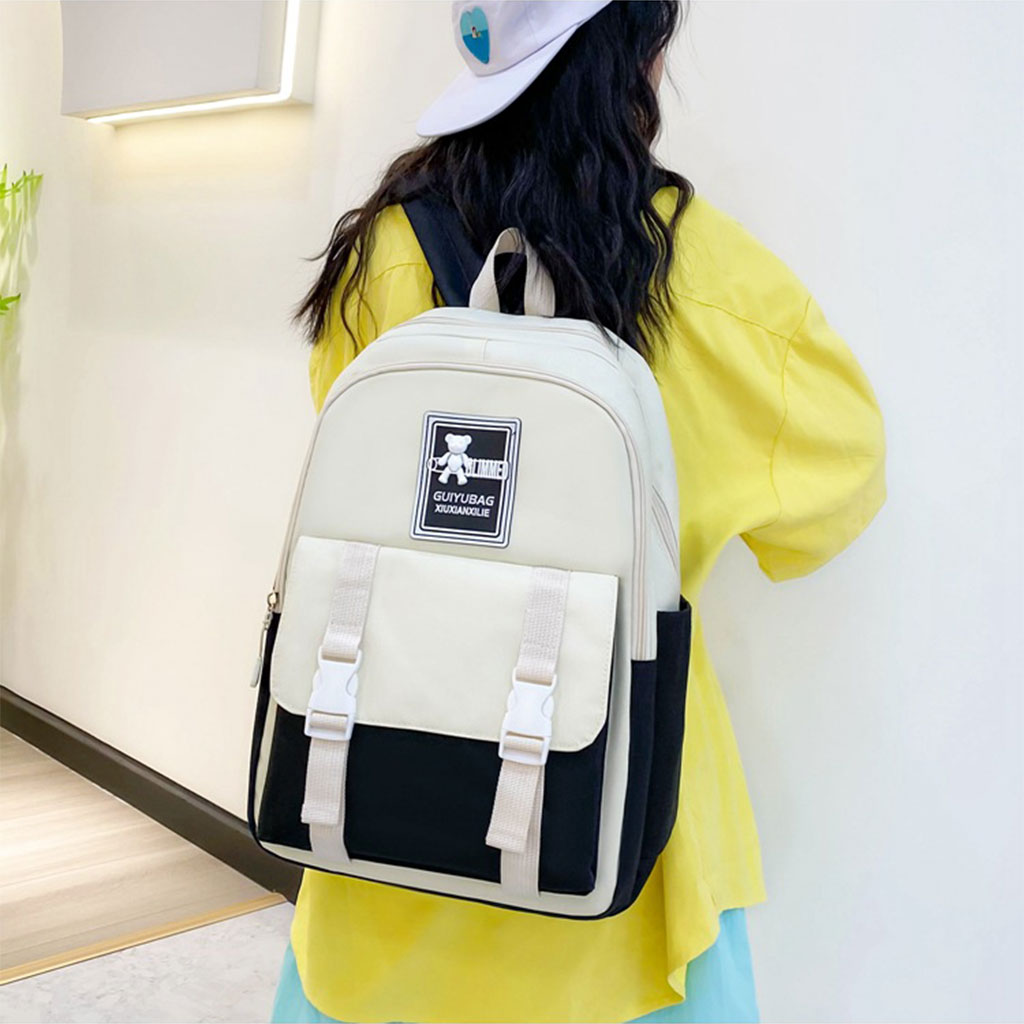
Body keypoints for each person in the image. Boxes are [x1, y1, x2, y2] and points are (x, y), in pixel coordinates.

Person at [272, 2, 886, 1021]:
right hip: (620, 825)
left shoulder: (386, 247)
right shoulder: (700, 271)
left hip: (384, 784)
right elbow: (838, 488)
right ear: (635, 58)